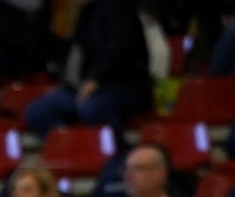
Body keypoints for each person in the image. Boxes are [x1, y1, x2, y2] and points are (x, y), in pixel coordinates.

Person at [24, 0, 152, 134]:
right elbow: (75, 57)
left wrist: (95, 80)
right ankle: (68, 146)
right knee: (38, 111)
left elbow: (118, 51)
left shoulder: (118, 8)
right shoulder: (85, 13)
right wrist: (65, 84)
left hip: (125, 88)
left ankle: (115, 151)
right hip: (83, 88)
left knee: (91, 108)